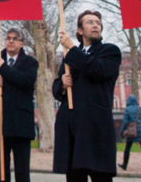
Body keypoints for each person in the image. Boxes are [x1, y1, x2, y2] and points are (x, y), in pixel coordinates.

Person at [52, 10, 121, 182]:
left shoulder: (110, 51)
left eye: (98, 22)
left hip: (95, 125)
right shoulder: (70, 57)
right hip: (72, 125)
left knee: (100, 176)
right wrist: (62, 85)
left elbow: (98, 69)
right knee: (74, 175)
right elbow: (56, 88)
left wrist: (73, 48)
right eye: (90, 22)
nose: (96, 25)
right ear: (80, 31)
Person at [0, 27, 38, 182]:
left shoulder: (30, 62)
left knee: (22, 169)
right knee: (0, 170)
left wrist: (4, 69)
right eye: (8, 38)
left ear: (21, 43)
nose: (10, 41)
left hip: (21, 123)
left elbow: (26, 82)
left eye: (14, 38)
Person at [118, 95, 141, 173]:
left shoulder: (127, 109)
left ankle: (124, 165)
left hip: (132, 131)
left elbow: (125, 121)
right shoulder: (140, 109)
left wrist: (122, 131)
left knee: (127, 148)